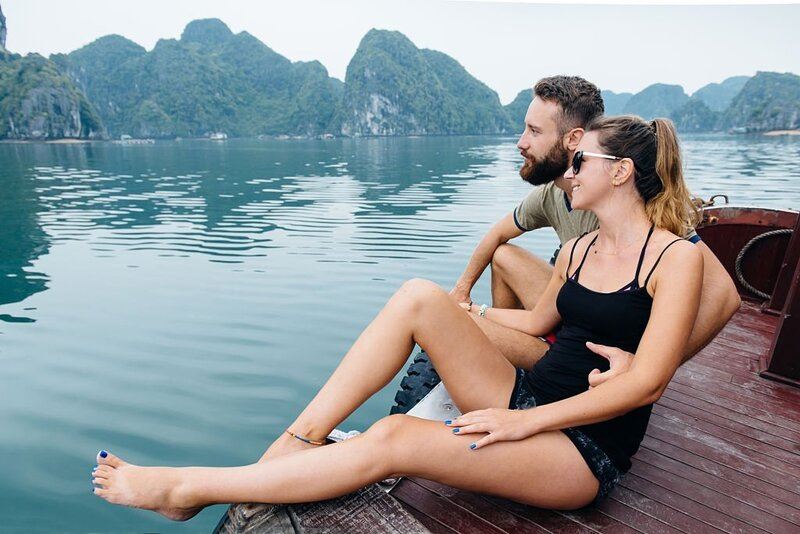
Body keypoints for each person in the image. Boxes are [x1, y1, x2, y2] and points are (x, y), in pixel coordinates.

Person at [91, 114, 708, 518]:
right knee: (419, 295)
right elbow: (537, 324)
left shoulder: (674, 258)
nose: (568, 172)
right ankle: (296, 441)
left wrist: (529, 422)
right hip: (526, 398)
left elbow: (649, 381)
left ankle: (188, 489)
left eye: (581, 163)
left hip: (578, 449)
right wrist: (461, 318)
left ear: (620, 172)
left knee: (393, 439)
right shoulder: (577, 248)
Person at [450, 76, 740, 382]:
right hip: (570, 315)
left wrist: (646, 367)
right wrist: (462, 291)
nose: (521, 142)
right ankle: (507, 361)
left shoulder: (635, 208)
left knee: (437, 314)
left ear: (574, 139)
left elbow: (723, 295)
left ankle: (511, 364)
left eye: (534, 131)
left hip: (596, 346)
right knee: (503, 255)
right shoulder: (554, 195)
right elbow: (497, 234)